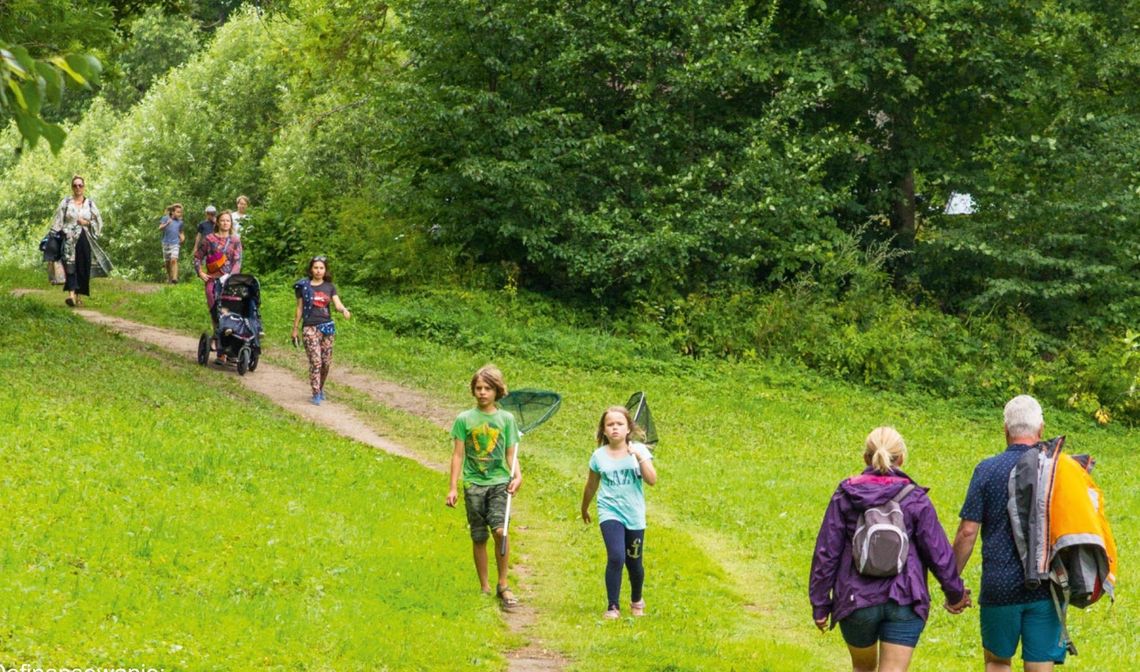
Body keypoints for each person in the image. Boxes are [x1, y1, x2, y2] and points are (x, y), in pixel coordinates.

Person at [810, 427, 970, 672]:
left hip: (856, 600)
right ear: (902, 459)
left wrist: (821, 603)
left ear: (866, 457)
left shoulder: (845, 494)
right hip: (905, 597)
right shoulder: (915, 498)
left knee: (862, 668)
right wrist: (955, 594)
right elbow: (937, 552)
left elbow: (826, 552)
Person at [952, 396, 1066, 672]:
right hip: (1046, 584)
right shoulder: (1057, 471)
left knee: (997, 661)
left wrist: (951, 582)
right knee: (1040, 663)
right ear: (1041, 429)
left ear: (1005, 429)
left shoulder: (987, 470)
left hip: (999, 586)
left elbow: (968, 531)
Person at [445, 365, 523, 610]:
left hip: (499, 483)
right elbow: (457, 455)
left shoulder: (506, 419)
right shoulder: (464, 419)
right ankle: (484, 586)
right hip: (473, 485)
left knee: (500, 531)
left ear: (497, 391)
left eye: (487, 388)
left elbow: (511, 453)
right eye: (478, 388)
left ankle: (503, 583)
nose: (482, 393)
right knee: (479, 536)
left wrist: (518, 475)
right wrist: (453, 487)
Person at [580, 405, 658, 619]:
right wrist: (584, 506)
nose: (615, 428)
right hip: (609, 511)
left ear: (628, 429)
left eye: (619, 424)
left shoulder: (639, 451)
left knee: (634, 562)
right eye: (610, 424)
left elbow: (652, 480)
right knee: (616, 556)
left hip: (634, 513)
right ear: (604, 430)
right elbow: (591, 485)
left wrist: (639, 457)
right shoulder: (598, 456)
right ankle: (613, 606)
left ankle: (636, 599)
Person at [291, 256, 350, 404]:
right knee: (316, 361)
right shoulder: (303, 286)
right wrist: (295, 329)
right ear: (311, 269)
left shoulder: (330, 287)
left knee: (326, 362)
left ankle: (321, 388)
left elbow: (337, 304)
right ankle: (315, 392)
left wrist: (343, 310)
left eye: (321, 268)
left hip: (327, 327)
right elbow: (299, 308)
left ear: (325, 270)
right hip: (309, 327)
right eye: (316, 268)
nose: (318, 271)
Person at [193, 210, 243, 363]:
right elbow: (197, 257)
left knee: (230, 313)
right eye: (222, 220)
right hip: (213, 281)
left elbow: (238, 261)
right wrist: (200, 272)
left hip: (229, 282)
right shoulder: (209, 239)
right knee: (216, 312)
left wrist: (231, 276)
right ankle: (220, 349)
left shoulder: (235, 241)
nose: (225, 223)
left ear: (231, 223)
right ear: (218, 222)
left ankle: (231, 347)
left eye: (228, 221)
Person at [50, 174, 103, 307]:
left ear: (84, 187)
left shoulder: (89, 203)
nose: (77, 187)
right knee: (70, 265)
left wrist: (87, 222)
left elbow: (98, 221)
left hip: (84, 238)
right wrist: (54, 236)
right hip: (68, 238)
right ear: (72, 187)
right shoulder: (66, 202)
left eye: (80, 185)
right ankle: (71, 296)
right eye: (75, 185)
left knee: (83, 265)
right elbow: (58, 219)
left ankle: (79, 295)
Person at [158, 203, 185, 283]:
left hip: (175, 243)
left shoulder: (180, 222)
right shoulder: (165, 218)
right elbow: (160, 228)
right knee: (167, 262)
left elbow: (181, 232)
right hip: (166, 243)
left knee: (174, 259)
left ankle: (175, 278)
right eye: (178, 212)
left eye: (180, 212)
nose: (180, 214)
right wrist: (167, 224)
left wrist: (182, 238)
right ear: (173, 212)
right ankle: (169, 277)